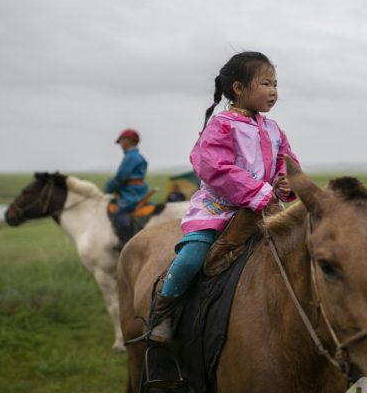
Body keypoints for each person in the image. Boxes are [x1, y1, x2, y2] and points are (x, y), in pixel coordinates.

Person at [150, 51, 299, 343]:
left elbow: (286, 160)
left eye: (275, 84)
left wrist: (287, 181)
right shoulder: (221, 125)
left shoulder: (273, 128)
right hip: (220, 209)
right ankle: (163, 310)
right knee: (191, 256)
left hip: (267, 207)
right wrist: (259, 192)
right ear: (239, 89)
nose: (273, 91)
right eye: (265, 83)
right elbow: (214, 167)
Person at [104, 128, 149, 251]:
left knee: (119, 212)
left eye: (121, 141)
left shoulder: (131, 157)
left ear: (128, 141)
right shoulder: (138, 156)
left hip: (131, 193)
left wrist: (108, 188)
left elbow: (121, 177)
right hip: (139, 190)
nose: (120, 144)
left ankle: (125, 241)